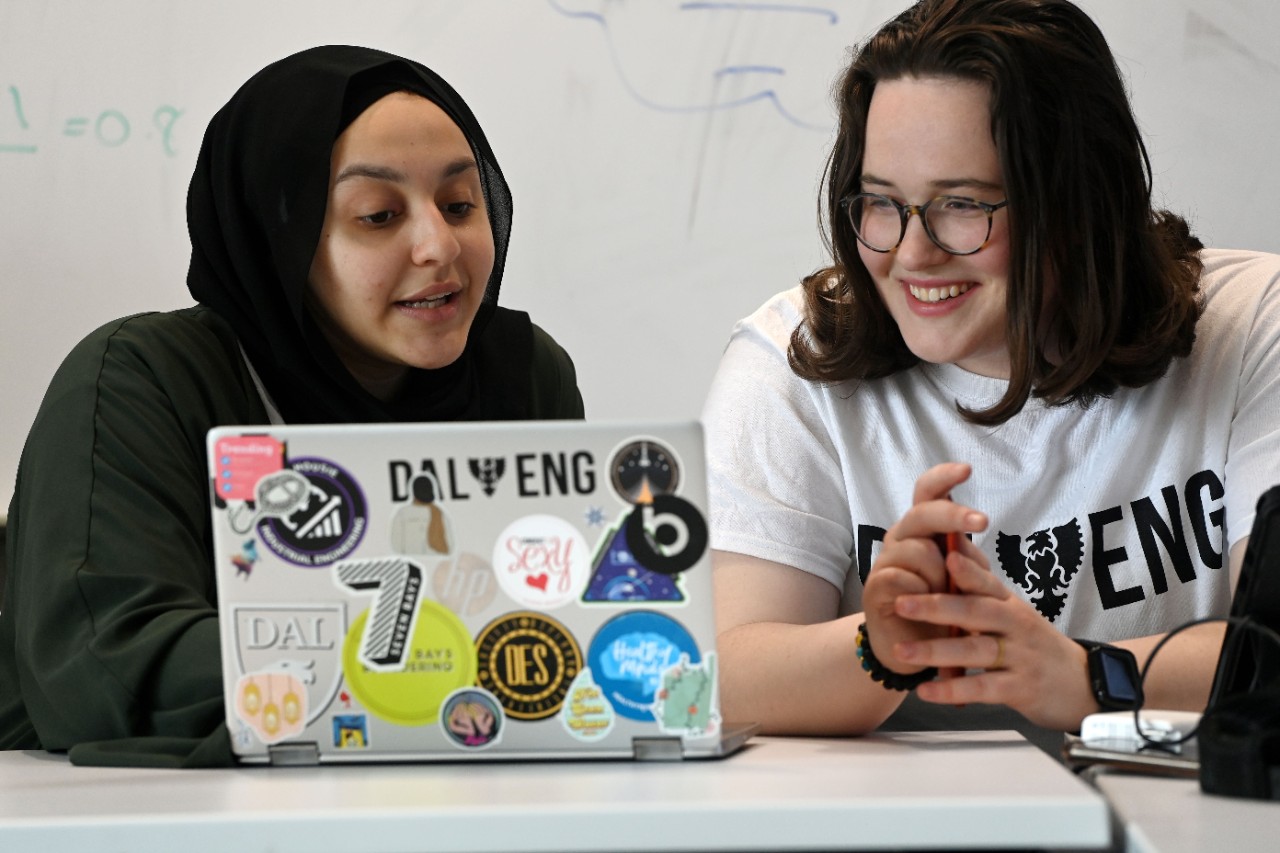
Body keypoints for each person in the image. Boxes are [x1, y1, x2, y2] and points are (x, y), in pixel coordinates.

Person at [704, 0, 1280, 747]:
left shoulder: (1252, 326)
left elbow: (1271, 653)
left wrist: (1079, 677)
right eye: (883, 203)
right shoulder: (791, 362)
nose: (912, 254)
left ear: (1078, 203)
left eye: (962, 206)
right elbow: (727, 671)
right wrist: (883, 645)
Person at [0, 45, 583, 767]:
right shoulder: (141, 378)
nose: (439, 244)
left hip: (454, 783)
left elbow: (562, 617)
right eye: (378, 215)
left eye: (461, 205)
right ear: (279, 238)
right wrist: (435, 662)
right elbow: (107, 666)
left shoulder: (523, 374)